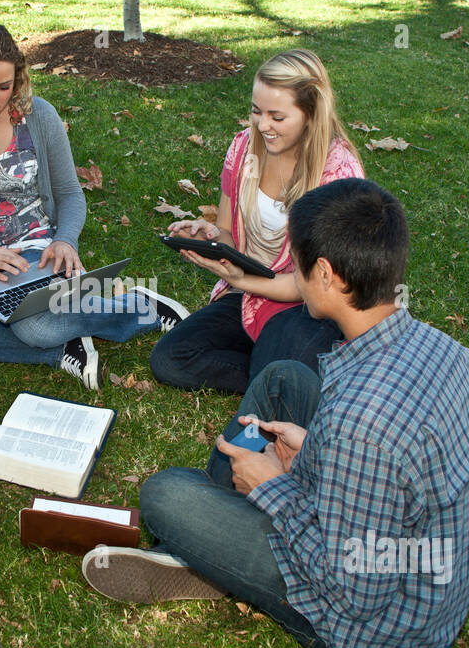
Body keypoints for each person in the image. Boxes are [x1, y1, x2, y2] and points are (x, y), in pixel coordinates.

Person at [83, 178, 469, 648]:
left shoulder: (360, 424)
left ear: (324, 274)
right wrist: (315, 452)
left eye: (297, 264)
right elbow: (395, 476)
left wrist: (273, 488)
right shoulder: (450, 351)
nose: (292, 275)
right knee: (284, 379)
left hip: (371, 629)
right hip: (425, 572)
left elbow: (354, 590)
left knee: (165, 494)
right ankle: (214, 547)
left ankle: (206, 553)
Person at [0, 20, 188, 391]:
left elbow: (70, 194)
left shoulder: (37, 117)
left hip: (32, 253)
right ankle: (58, 351)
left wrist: (65, 241)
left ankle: (141, 308)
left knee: (35, 324)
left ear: (19, 79)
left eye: (4, 86)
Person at [150, 49, 363, 395]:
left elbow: (319, 284)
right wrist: (211, 238)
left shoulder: (337, 174)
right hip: (246, 294)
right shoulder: (244, 149)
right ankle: (281, 376)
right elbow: (229, 234)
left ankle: (282, 372)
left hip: (309, 307)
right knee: (169, 359)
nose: (263, 125)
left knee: (279, 375)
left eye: (277, 117)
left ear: (310, 114)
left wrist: (242, 278)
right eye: (256, 111)